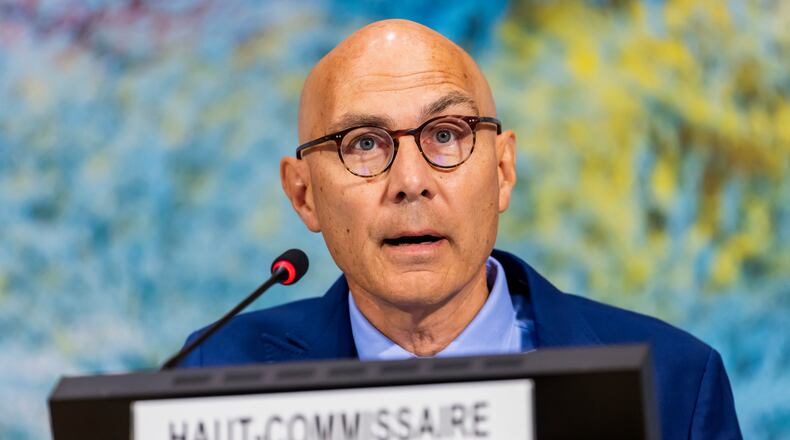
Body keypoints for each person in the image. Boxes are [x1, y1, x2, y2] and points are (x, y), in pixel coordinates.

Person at [178, 19, 741, 438]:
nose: (411, 181)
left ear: (502, 170)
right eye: (364, 143)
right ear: (304, 195)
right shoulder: (216, 376)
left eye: (446, 134)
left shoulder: (674, 382)